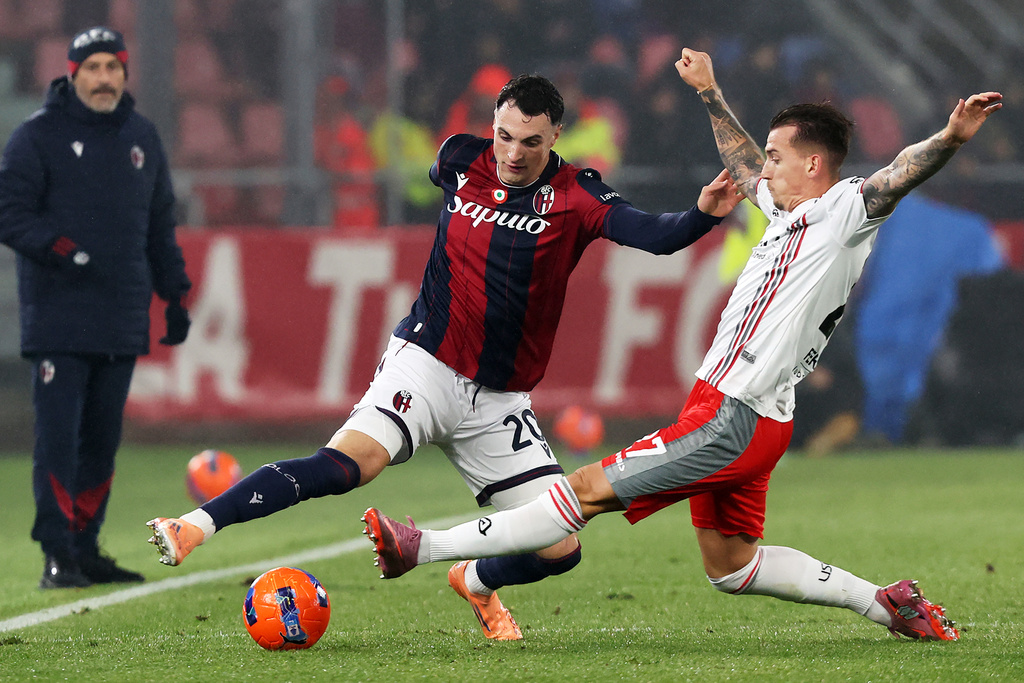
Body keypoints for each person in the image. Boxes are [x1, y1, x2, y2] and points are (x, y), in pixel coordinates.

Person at [362, 49, 1003, 642]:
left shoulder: (843, 213)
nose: (763, 167)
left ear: (814, 165)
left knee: (582, 491)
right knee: (732, 567)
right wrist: (711, 94)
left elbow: (897, 176)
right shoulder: (788, 210)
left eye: (778, 155)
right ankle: (882, 602)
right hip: (751, 412)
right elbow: (745, 164)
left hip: (735, 416)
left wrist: (949, 138)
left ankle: (422, 547)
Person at [147, 73, 742, 641]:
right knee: (349, 465)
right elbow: (439, 174)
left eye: (531, 142)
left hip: (500, 400)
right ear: (493, 126)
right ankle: (194, 526)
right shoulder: (460, 157)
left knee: (560, 548)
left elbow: (655, 235)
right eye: (505, 136)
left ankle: (475, 580)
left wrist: (702, 215)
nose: (512, 153)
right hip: (426, 363)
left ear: (555, 135)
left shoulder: (576, 196)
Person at [0, 27, 192, 589]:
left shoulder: (141, 136)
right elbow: (9, 213)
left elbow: (160, 226)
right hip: (59, 318)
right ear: (72, 73)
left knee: (102, 441)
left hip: (121, 315)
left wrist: (174, 294)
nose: (104, 77)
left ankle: (85, 549)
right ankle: (56, 554)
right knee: (58, 439)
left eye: (113, 66)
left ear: (124, 73)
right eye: (93, 67)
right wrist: (62, 250)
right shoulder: (38, 136)